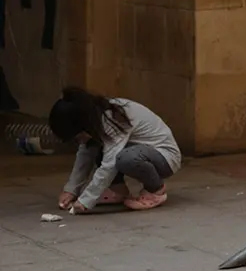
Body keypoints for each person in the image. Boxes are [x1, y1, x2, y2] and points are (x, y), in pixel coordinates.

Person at [49, 88, 181, 213]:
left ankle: (156, 190)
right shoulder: (95, 118)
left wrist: (86, 200)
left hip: (165, 157)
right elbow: (85, 155)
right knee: (97, 148)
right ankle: (117, 191)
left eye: (77, 137)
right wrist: (71, 190)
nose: (79, 142)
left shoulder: (113, 117)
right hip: (140, 151)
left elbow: (110, 164)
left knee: (125, 158)